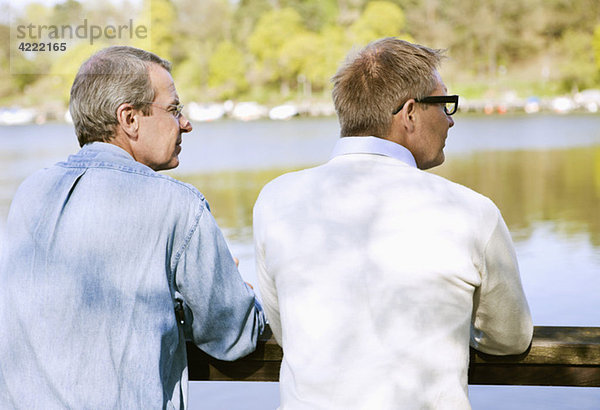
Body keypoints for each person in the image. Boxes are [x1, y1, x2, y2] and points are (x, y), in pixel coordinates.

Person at [253, 37, 532, 409]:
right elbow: (509, 338)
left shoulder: (275, 199)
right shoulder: (470, 211)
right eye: (445, 103)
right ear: (410, 113)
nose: (450, 120)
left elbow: (288, 332)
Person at [0, 46, 265, 409]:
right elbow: (234, 337)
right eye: (173, 109)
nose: (186, 123)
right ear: (129, 118)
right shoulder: (178, 205)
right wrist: (223, 294)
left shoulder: (31, 192)